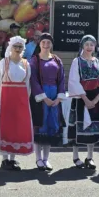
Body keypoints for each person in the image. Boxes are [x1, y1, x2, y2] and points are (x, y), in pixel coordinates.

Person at [66, 35, 99, 170]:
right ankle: (75, 156)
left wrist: (96, 99)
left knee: (94, 128)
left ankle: (90, 157)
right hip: (81, 98)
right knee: (78, 127)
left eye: (92, 45)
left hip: (95, 98)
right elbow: (73, 80)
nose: (89, 47)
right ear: (82, 46)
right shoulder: (76, 61)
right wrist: (85, 99)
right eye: (87, 44)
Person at [0, 36, 33, 171]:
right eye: (15, 46)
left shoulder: (26, 64)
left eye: (20, 47)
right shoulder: (4, 63)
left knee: (17, 127)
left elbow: (28, 84)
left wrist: (26, 100)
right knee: (6, 126)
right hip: (6, 97)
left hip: (21, 99)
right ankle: (5, 159)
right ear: (10, 47)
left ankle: (13, 158)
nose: (17, 49)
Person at [29, 33, 65, 171]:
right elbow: (34, 80)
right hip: (41, 96)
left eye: (48, 42)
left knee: (51, 126)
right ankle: (38, 158)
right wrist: (44, 98)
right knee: (41, 126)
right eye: (43, 42)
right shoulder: (34, 60)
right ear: (39, 44)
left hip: (54, 95)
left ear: (51, 44)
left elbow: (61, 79)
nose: (45, 45)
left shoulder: (57, 60)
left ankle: (46, 159)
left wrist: (58, 98)